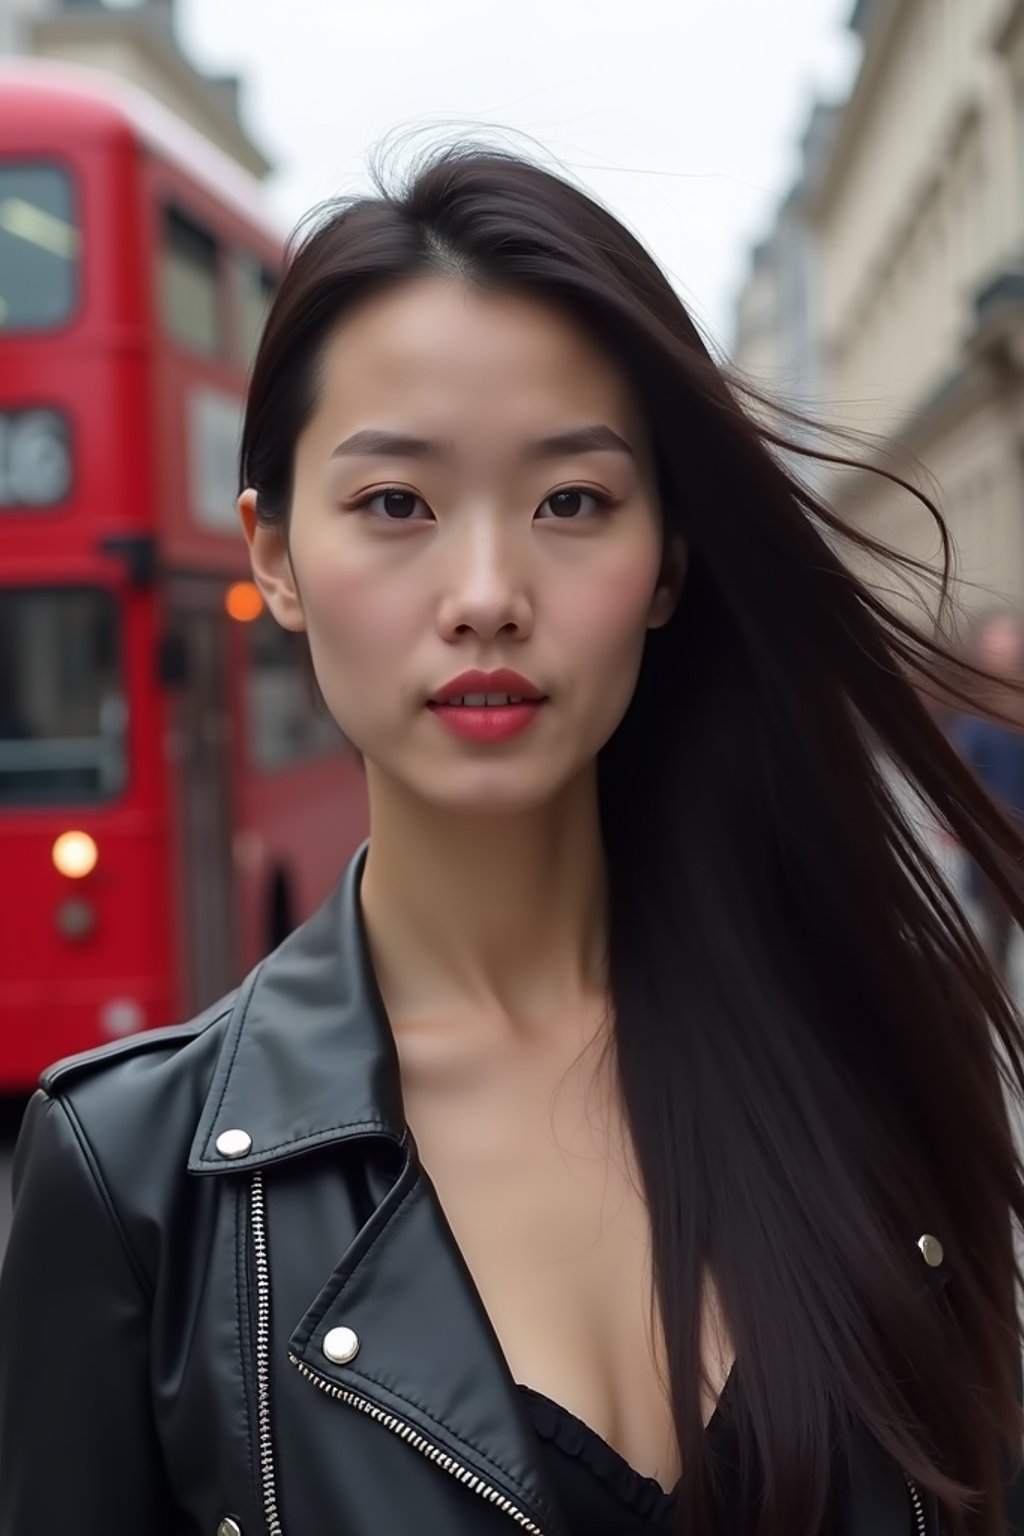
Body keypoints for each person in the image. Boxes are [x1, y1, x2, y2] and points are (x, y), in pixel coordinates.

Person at [1, 145, 1024, 1536]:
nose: (486, 595)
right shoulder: (135, 1185)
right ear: (276, 557)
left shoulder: (876, 1038)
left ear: (665, 560)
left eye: (571, 502)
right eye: (396, 505)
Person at [948, 612, 1024, 982]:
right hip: (994, 839)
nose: (1007, 656)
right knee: (999, 923)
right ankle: (998, 989)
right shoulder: (974, 718)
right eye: (998, 648)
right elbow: (961, 775)